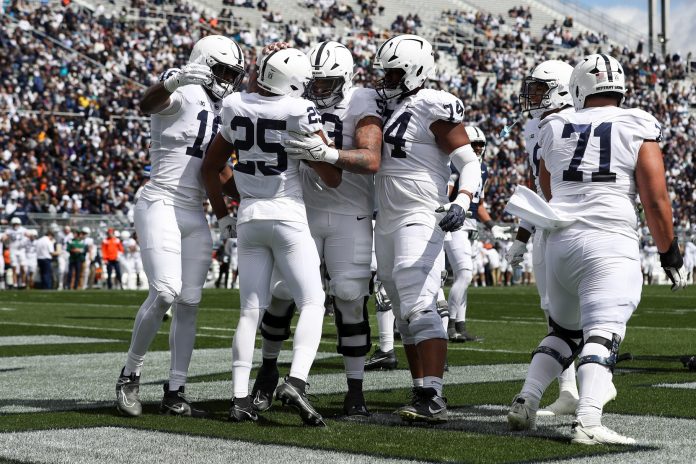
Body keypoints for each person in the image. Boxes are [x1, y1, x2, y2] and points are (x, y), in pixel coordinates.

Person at [506, 54, 687, 445]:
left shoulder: (554, 125)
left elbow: (547, 191)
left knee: (563, 333)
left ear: (578, 88)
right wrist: (669, 251)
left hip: (560, 240)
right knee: (602, 334)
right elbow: (655, 199)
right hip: (608, 240)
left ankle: (526, 399)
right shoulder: (636, 122)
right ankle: (588, 420)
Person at [201, 47, 341, 425]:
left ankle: (239, 397)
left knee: (249, 310)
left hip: (249, 217)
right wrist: (324, 154)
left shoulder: (233, 104)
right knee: (312, 301)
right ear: (293, 82)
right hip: (288, 214)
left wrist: (223, 216)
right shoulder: (299, 110)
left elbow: (211, 167)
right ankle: (296, 380)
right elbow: (333, 177)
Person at [115, 34, 246, 418]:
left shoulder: (221, 107)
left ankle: (175, 389)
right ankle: (130, 375)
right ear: (203, 64)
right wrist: (174, 81)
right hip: (160, 200)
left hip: (193, 211)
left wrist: (231, 209)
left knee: (190, 301)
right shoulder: (182, 87)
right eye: (222, 70)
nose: (227, 79)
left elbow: (218, 168)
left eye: (231, 73)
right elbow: (147, 104)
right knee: (166, 291)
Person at [253, 40, 383, 417]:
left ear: (344, 79)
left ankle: (354, 389)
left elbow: (371, 158)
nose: (317, 89)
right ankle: (266, 372)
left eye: (326, 83)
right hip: (302, 211)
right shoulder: (297, 99)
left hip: (350, 213)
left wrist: (327, 154)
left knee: (349, 295)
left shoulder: (363, 102)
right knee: (280, 293)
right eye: (315, 81)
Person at [372, 34, 481, 424]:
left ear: (415, 70)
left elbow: (469, 162)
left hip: (420, 213)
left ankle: (434, 395)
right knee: (401, 313)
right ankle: (421, 389)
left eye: (394, 72)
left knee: (418, 301)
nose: (386, 79)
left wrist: (462, 201)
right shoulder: (391, 107)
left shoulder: (432, 103)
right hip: (385, 217)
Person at [445, 126, 509, 342]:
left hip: (471, 225)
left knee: (465, 277)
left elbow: (478, 203)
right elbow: (445, 194)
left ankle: (460, 327)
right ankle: (449, 325)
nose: (479, 148)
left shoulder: (482, 169)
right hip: (455, 223)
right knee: (464, 274)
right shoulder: (455, 164)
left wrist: (492, 225)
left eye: (482, 144)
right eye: (475, 144)